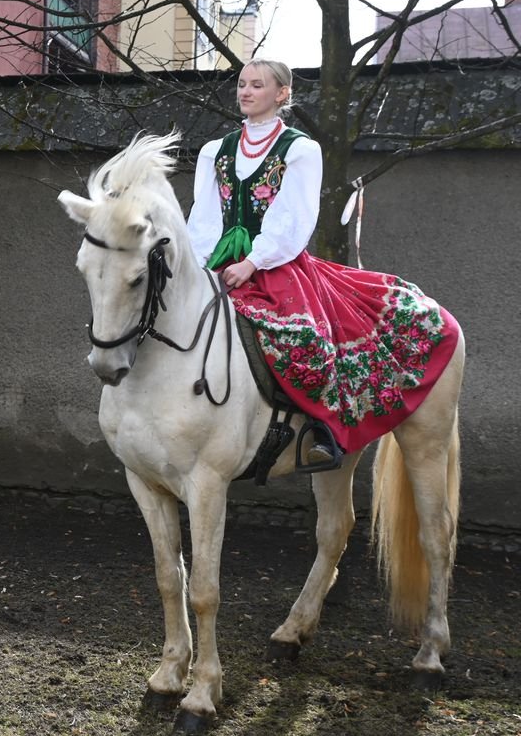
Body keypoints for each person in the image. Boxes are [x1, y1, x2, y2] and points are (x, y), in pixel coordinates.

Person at [187, 58, 460, 463]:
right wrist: (200, 265)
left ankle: (322, 427)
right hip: (221, 260)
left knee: (303, 339)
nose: (245, 91)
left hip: (275, 263)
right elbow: (205, 217)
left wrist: (254, 262)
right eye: (242, 84)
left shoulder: (299, 149)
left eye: (257, 85)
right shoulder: (216, 151)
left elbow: (294, 217)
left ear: (281, 93)